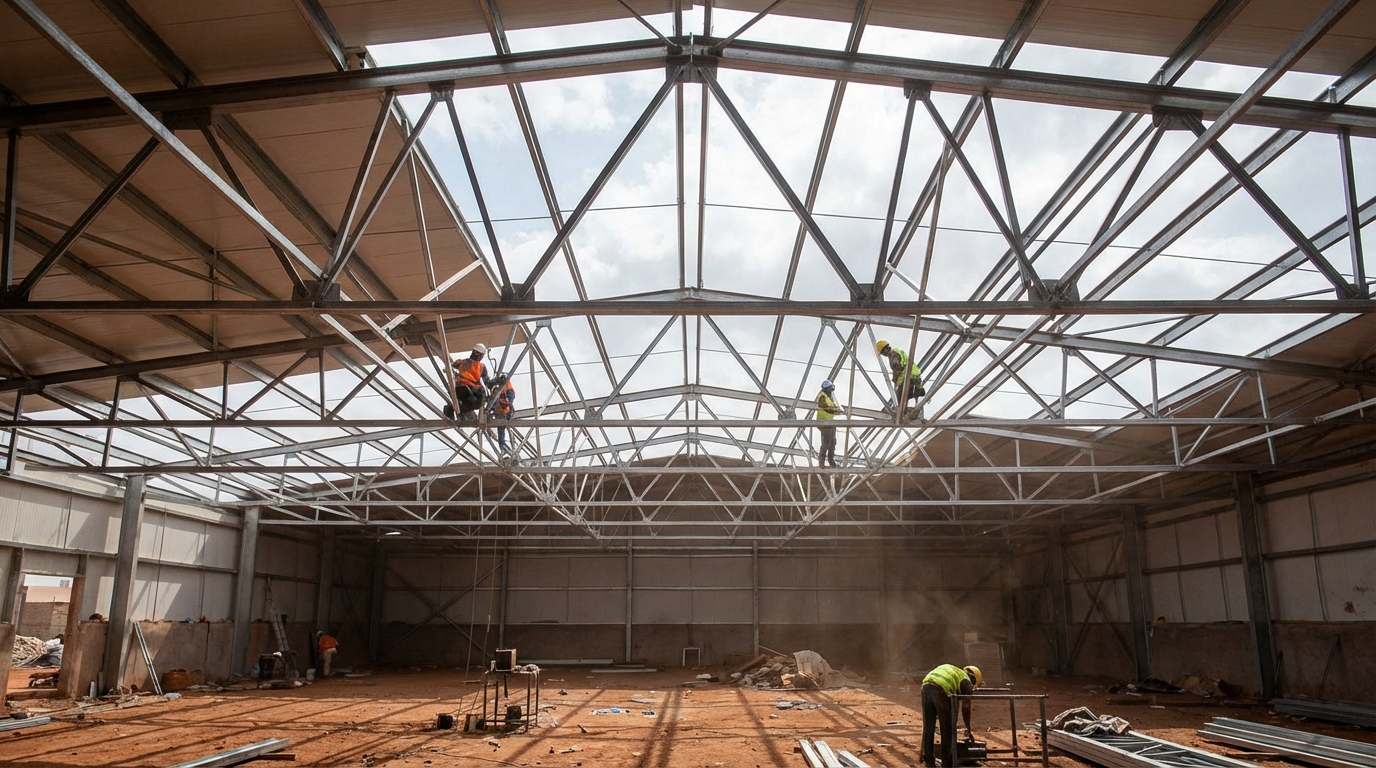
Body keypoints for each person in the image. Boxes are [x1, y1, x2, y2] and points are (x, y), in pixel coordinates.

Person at [921, 664, 982, 767]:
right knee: (947, 729)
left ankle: (929, 762)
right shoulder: (966, 680)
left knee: (929, 727)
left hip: (926, 686)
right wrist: (968, 728)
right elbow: (966, 707)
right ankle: (947, 763)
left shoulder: (956, 673)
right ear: (973, 680)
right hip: (941, 690)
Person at [876, 339, 924, 420]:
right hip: (914, 375)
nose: (883, 355)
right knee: (910, 396)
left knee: (901, 399)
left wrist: (895, 378)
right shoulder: (897, 350)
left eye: (882, 353)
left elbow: (897, 367)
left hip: (907, 377)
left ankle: (904, 415)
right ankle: (912, 412)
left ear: (884, 351)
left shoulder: (892, 354)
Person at [444, 344, 493, 421]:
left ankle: (453, 409)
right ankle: (454, 409)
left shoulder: (481, 367)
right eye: (476, 352)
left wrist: (494, 384)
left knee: (477, 403)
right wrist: (448, 369)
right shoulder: (462, 362)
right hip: (462, 387)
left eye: (478, 353)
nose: (476, 355)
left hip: (473, 389)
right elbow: (451, 366)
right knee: (466, 393)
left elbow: (487, 381)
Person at [815, 379, 843, 467]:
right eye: (830, 389)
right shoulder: (822, 396)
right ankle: (821, 462)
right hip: (823, 422)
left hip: (829, 422)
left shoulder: (829, 397)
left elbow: (832, 407)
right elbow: (826, 408)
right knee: (826, 443)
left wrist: (838, 410)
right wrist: (836, 411)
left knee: (832, 442)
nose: (831, 391)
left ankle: (831, 461)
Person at [492, 374, 516, 452]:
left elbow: (510, 399)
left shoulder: (506, 388)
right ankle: (504, 448)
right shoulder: (498, 389)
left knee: (502, 433)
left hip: (503, 413)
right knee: (501, 434)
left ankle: (505, 448)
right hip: (501, 413)